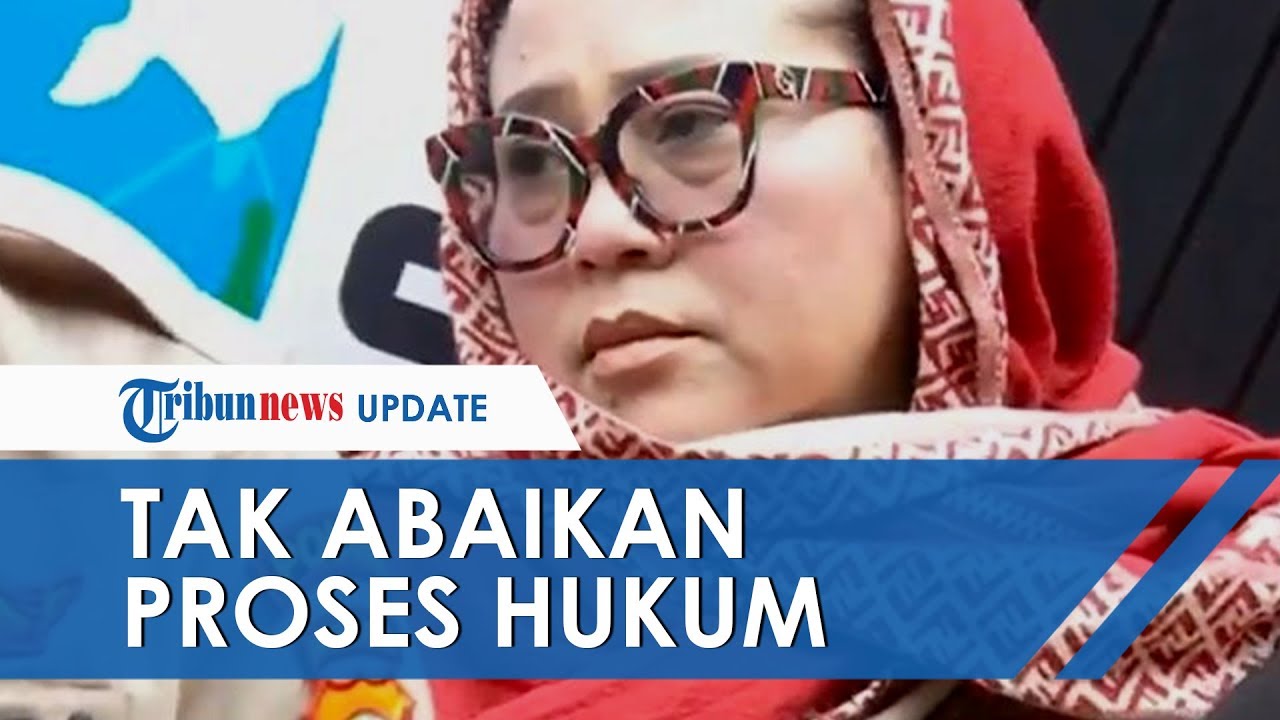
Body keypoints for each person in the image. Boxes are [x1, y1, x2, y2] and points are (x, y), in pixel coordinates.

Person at [364, 0, 1280, 717]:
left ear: (937, 148)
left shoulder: (1216, 613)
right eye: (528, 160)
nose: (599, 230)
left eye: (689, 124)